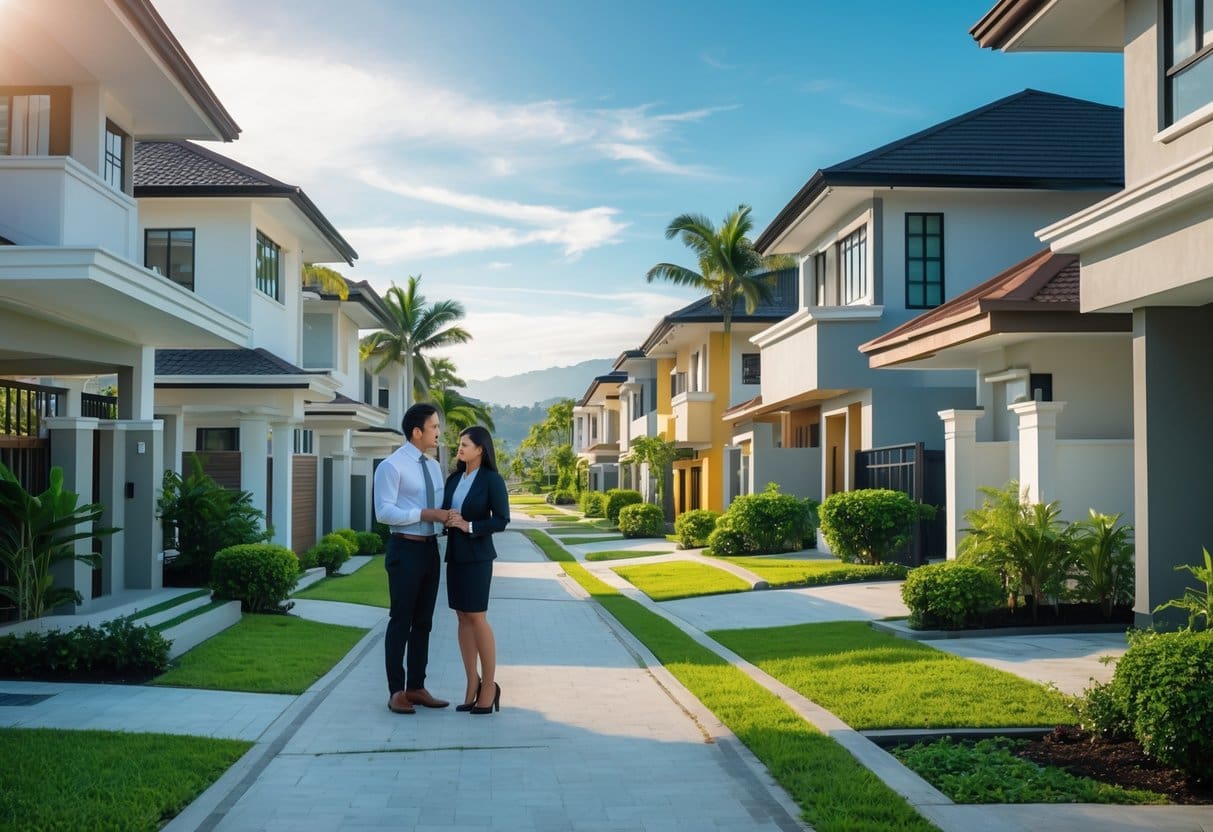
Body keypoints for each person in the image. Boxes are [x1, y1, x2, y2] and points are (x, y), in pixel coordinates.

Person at [373, 403, 451, 715]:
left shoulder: (433, 466)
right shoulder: (391, 466)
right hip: (404, 550)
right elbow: (383, 512)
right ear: (417, 432)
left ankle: (416, 687)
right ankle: (396, 691)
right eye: (434, 427)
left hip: (430, 549)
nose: (438, 432)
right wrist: (424, 514)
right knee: (401, 621)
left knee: (424, 622)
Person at [441, 425, 510, 714]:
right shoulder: (454, 478)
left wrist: (468, 525)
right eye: (460, 444)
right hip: (455, 555)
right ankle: (472, 683)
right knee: (461, 617)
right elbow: (446, 510)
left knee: (477, 617)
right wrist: (448, 518)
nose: (460, 448)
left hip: (479, 557)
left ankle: (490, 686)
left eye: (465, 444)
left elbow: (502, 520)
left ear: (480, 449)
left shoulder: (492, 480)